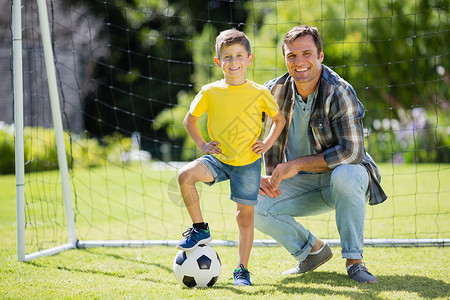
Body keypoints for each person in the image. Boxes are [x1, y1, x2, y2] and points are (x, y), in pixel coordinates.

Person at [254, 25, 387, 284]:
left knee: (346, 174)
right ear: (285, 59)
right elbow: (245, 136)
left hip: (343, 180)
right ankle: (312, 251)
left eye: (307, 53)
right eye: (291, 55)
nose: (299, 62)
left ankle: (355, 263)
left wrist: (296, 164)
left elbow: (353, 151)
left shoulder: (339, 90)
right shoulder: (272, 91)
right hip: (300, 184)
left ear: (320, 56)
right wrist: (249, 175)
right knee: (250, 202)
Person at [176, 28, 286, 286]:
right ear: (218, 62)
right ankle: (200, 228)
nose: (233, 62)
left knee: (244, 218)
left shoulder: (259, 92)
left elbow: (278, 120)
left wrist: (267, 143)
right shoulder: (209, 91)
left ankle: (242, 271)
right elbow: (189, 120)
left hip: (248, 164)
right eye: (227, 57)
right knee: (185, 176)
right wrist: (203, 145)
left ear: (250, 59)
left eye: (239, 55)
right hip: (219, 159)